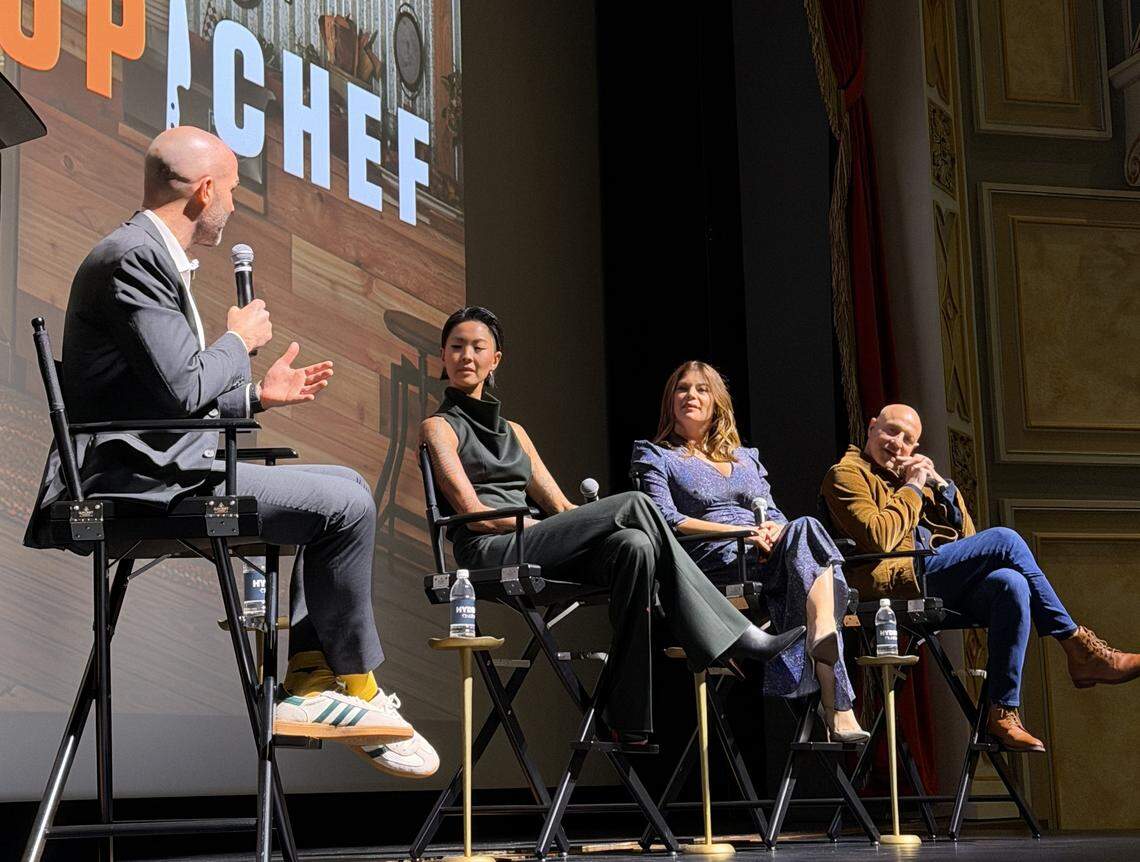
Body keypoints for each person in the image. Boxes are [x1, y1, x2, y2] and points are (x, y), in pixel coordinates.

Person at [24, 126, 437, 778]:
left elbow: (159, 398)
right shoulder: (132, 257)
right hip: (134, 489)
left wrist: (258, 398)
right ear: (206, 191)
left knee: (339, 485)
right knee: (348, 501)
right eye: (235, 194)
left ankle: (310, 682)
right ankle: (352, 691)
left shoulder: (144, 255)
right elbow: (186, 386)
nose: (235, 208)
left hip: (159, 468)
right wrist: (237, 339)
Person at [420, 307, 804, 743]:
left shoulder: (516, 432)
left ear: (496, 360)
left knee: (635, 545)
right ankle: (730, 634)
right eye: (456, 347)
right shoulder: (438, 427)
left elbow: (562, 505)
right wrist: (554, 523)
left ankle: (627, 717)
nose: (466, 356)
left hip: (534, 538)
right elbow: (473, 513)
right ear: (444, 356)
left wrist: (588, 518)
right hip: (490, 549)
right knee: (638, 502)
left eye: (477, 347)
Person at [821, 404, 1140, 751]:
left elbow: (970, 539)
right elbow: (879, 536)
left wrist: (940, 487)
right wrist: (912, 488)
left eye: (908, 439)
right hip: (895, 580)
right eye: (891, 431)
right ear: (871, 428)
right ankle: (1079, 647)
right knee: (1005, 539)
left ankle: (1003, 712)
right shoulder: (846, 474)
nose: (898, 443)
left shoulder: (916, 481)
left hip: (936, 578)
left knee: (1010, 584)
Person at [632, 361, 867, 742]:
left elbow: (772, 511)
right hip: (713, 560)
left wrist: (774, 527)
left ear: (717, 402)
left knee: (804, 526)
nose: (691, 395)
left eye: (701, 389)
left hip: (765, 554)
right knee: (810, 564)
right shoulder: (656, 455)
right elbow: (664, 519)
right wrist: (742, 531)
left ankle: (822, 633)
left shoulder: (745, 458)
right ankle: (836, 697)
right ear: (670, 400)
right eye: (682, 389)